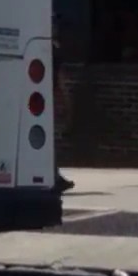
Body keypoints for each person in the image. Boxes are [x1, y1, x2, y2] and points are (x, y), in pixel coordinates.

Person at [52, 15, 75, 193]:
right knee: (50, 138)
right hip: (49, 96)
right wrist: (65, 100)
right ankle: (54, 176)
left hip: (41, 97)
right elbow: (60, 78)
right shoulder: (53, 49)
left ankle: (54, 174)